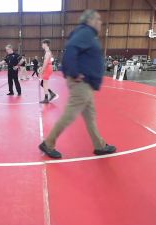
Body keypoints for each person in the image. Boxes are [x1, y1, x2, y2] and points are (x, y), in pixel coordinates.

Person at [38, 9, 117, 159]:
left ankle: (99, 145)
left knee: (90, 116)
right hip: (82, 83)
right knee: (70, 114)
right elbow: (70, 51)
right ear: (91, 20)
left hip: (87, 84)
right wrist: (74, 73)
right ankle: (48, 143)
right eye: (98, 19)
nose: (100, 23)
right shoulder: (85, 33)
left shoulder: (86, 34)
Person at [39, 39, 57, 104]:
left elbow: (46, 62)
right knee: (43, 83)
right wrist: (42, 67)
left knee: (44, 83)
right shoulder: (48, 52)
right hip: (48, 67)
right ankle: (51, 94)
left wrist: (42, 71)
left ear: (45, 44)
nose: (42, 45)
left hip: (47, 68)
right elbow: (47, 62)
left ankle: (46, 98)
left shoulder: (47, 52)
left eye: (42, 44)